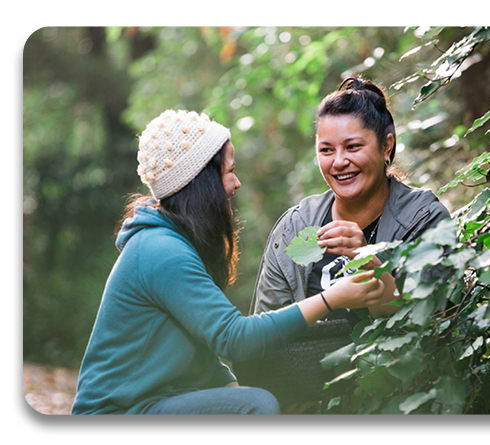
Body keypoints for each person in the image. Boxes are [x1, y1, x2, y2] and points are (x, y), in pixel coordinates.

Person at [70, 109, 384, 415]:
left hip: (149, 405)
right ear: (200, 181)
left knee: (256, 402)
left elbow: (205, 350)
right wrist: (331, 299)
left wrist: (239, 393)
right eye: (230, 171)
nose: (236, 183)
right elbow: (235, 339)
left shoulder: (170, 242)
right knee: (258, 404)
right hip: (116, 415)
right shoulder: (161, 251)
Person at [251, 77, 450, 322]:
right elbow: (266, 333)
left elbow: (433, 325)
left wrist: (366, 257)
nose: (339, 161)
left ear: (386, 147)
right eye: (326, 150)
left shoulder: (424, 219)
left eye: (353, 147)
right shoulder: (293, 228)